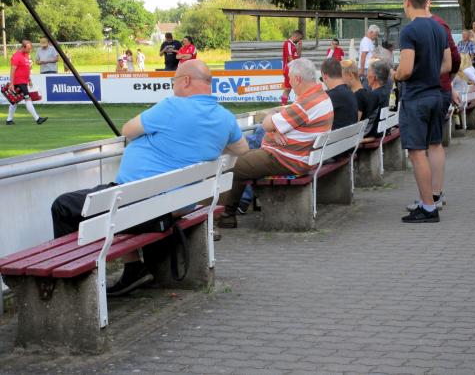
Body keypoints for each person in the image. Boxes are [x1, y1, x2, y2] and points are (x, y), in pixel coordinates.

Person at [51, 60, 249, 295]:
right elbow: (242, 148)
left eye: (173, 80)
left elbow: (128, 130)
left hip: (143, 207)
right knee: (109, 202)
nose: (173, 86)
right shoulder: (225, 117)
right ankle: (133, 268)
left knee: (63, 206)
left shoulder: (172, 107)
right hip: (175, 205)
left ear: (186, 81)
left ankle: (74, 286)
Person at [217, 57, 333, 228]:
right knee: (242, 160)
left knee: (230, 165)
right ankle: (227, 214)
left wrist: (272, 125)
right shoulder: (320, 96)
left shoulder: (305, 104)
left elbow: (266, 124)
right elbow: (279, 119)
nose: (289, 83)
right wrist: (274, 127)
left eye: (290, 79)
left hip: (285, 159)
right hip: (299, 157)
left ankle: (219, 215)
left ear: (298, 79)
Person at [394, 0, 451, 223]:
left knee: (417, 154)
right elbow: (447, 65)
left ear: (407, 2)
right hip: (436, 94)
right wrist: (429, 72)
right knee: (433, 147)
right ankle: (430, 199)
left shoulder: (409, 31)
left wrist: (394, 74)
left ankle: (428, 208)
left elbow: (406, 70)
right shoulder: (439, 28)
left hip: (416, 97)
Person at [5, 40, 47, 125]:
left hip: (24, 81)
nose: (29, 50)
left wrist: (29, 80)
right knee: (28, 98)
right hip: (19, 82)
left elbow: (26, 69)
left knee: (14, 101)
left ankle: (9, 120)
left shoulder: (26, 55)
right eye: (28, 48)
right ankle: (37, 119)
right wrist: (11, 83)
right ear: (23, 47)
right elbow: (12, 70)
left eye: (30, 48)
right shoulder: (16, 56)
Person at [321, 57, 357, 130]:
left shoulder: (330, 97)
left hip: (334, 139)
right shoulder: (350, 92)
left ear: (325, 76)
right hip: (347, 138)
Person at [363, 59, 391, 139]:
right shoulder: (387, 91)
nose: (366, 75)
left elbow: (365, 119)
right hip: (384, 130)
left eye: (368, 72)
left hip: (374, 133)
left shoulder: (374, 95)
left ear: (374, 77)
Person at [282, 30, 303, 105]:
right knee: (298, 87)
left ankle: (283, 105)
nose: (300, 40)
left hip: (292, 69)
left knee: (288, 89)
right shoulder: (288, 43)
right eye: (300, 38)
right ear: (296, 36)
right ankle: (299, 106)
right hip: (289, 69)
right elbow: (290, 57)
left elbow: (298, 56)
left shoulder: (293, 45)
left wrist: (300, 47)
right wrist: (295, 69)